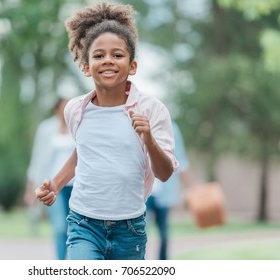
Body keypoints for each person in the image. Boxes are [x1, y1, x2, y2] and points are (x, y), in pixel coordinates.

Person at [35, 1, 178, 260]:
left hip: (130, 228)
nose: (108, 61)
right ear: (86, 66)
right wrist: (56, 184)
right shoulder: (75, 110)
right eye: (99, 55)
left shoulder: (153, 110)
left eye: (118, 55)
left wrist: (149, 139)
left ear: (132, 66)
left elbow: (165, 173)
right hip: (83, 223)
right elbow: (83, 151)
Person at [24, 98, 75, 260]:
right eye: (64, 106)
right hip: (54, 186)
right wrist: (31, 188)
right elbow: (37, 158)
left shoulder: (78, 126)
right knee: (60, 226)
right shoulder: (46, 129)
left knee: (76, 228)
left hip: (77, 186)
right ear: (57, 108)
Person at [146, 121, 195, 260]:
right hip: (144, 193)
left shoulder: (172, 129)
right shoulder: (136, 123)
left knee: (164, 233)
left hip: (164, 191)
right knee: (141, 231)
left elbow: (180, 160)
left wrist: (192, 185)